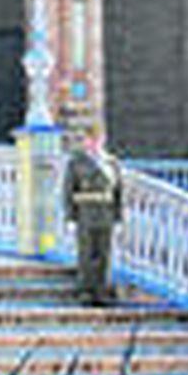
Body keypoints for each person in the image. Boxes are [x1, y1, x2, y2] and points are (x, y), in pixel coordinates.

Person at [62, 130, 123, 306]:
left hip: (106, 213)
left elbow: (118, 192)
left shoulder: (111, 162)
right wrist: (71, 216)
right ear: (86, 141)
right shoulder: (76, 162)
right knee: (86, 254)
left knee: (104, 254)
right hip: (85, 213)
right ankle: (85, 291)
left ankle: (101, 291)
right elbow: (68, 190)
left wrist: (118, 216)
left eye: (98, 139)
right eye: (91, 139)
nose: (94, 143)